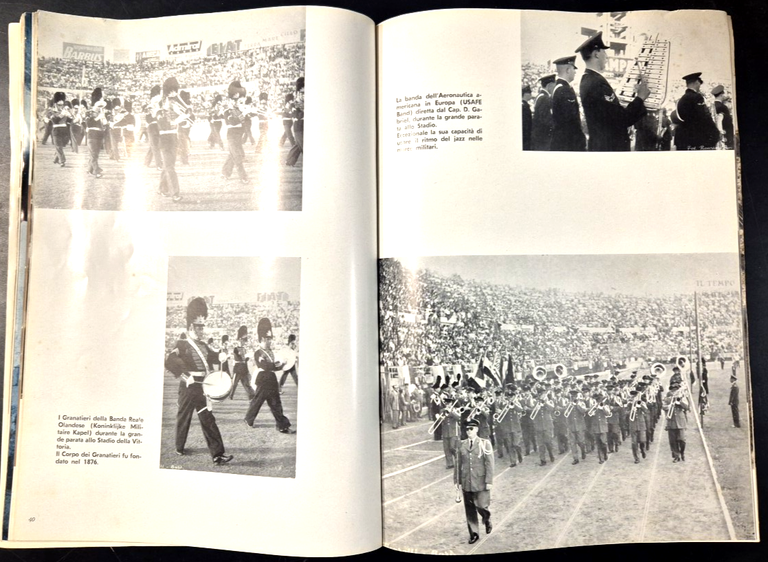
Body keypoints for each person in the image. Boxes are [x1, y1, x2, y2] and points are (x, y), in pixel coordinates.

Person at [164, 297, 233, 465]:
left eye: (203, 326)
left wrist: (221, 356)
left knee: (208, 419)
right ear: (190, 326)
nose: (202, 329)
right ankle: (179, 446)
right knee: (184, 417)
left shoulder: (203, 344)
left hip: (202, 387)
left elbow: (212, 356)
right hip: (188, 387)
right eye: (198, 326)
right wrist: (186, 377)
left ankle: (217, 455)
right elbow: (170, 361)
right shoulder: (182, 343)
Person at [577, 31, 649, 151]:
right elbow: (622, 119)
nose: (607, 56)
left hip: (602, 146)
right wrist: (640, 98)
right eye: (604, 52)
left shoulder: (588, 79)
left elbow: (609, 116)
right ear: (596, 54)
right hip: (610, 148)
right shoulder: (596, 82)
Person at [244, 318, 296, 433]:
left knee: (276, 404)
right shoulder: (258, 352)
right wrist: (277, 365)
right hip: (263, 379)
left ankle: (282, 426)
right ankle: (249, 419)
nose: (270, 341)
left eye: (270, 339)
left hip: (271, 379)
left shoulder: (271, 352)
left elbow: (272, 366)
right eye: (268, 339)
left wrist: (282, 366)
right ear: (262, 339)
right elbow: (264, 366)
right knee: (257, 401)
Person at [454, 419, 494, 545]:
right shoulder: (462, 444)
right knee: (470, 509)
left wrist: (489, 480)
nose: (469, 431)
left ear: (476, 429)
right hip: (467, 481)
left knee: (482, 506)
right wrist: (457, 481)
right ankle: (474, 533)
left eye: (471, 429)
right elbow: (458, 464)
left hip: (481, 481)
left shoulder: (485, 443)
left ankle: (486, 519)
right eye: (467, 429)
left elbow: (489, 463)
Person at [674, 72, 720, 150]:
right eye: (699, 83)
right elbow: (704, 117)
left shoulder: (681, 99)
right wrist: (715, 132)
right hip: (698, 137)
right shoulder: (697, 97)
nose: (699, 86)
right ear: (696, 82)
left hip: (686, 137)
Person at [157, 77, 185, 202]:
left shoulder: (174, 103)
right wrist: (178, 118)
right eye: (173, 91)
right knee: (170, 167)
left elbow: (180, 117)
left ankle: (161, 188)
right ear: (169, 91)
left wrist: (185, 115)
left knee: (169, 165)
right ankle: (175, 193)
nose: (175, 93)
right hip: (164, 137)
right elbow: (160, 120)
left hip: (173, 136)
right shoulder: (159, 103)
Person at [550, 55, 586, 151]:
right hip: (568, 143)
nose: (575, 72)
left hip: (562, 141)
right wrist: (581, 139)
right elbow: (571, 121)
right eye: (574, 69)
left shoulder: (560, 87)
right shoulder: (564, 90)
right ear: (568, 70)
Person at [221, 80, 250, 184]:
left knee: (233, 155)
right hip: (232, 133)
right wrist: (243, 114)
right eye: (237, 93)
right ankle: (243, 177)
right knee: (237, 156)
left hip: (239, 132)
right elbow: (231, 122)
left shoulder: (237, 105)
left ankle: (225, 172)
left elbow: (243, 120)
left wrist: (246, 114)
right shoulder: (226, 107)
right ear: (233, 94)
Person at [662, 382, 690, 462]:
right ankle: (676, 456)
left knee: (682, 440)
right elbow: (663, 406)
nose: (674, 392)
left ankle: (682, 452)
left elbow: (687, 407)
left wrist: (679, 402)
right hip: (671, 422)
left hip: (681, 422)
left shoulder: (682, 398)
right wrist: (669, 406)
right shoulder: (667, 399)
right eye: (673, 390)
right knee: (673, 441)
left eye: (676, 390)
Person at [85, 88, 107, 179]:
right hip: (92, 134)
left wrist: (103, 118)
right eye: (99, 107)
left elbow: (105, 124)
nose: (100, 108)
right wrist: (98, 117)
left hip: (99, 135)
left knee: (95, 154)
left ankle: (89, 169)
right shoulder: (89, 113)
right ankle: (96, 171)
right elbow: (89, 123)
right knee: (93, 154)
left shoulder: (102, 113)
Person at [229, 325, 254, 400]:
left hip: (243, 368)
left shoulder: (243, 349)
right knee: (234, 384)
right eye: (242, 340)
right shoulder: (235, 349)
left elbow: (244, 360)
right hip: (238, 368)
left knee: (246, 383)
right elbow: (239, 357)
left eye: (244, 341)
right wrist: (245, 358)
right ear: (240, 340)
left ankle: (251, 395)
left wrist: (247, 360)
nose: (243, 342)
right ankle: (231, 395)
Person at [530, 74, 555, 150]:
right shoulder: (545, 98)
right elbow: (545, 119)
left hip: (539, 135)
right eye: (554, 84)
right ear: (549, 85)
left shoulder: (540, 96)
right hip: (543, 137)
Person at [285, 77, 304, 167]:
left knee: (298, 145)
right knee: (303, 144)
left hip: (301, 123)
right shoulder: (296, 100)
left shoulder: (299, 98)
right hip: (299, 124)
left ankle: (289, 161)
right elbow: (293, 110)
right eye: (302, 93)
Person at [49, 92, 71, 167]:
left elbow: (70, 121)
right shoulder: (51, 111)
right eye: (59, 105)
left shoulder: (65, 111)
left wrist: (70, 116)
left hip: (64, 130)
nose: (61, 106)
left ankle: (56, 158)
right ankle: (62, 161)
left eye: (62, 105)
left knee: (61, 146)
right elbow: (55, 121)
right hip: (56, 130)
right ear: (55, 104)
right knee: (58, 146)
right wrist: (62, 114)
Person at [143, 85, 163, 170]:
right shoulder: (149, 106)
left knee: (154, 146)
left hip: (158, 126)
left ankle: (146, 162)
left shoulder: (159, 104)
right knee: (155, 146)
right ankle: (159, 164)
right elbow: (148, 119)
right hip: (154, 126)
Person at [712, 85, 734, 149]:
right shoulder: (723, 107)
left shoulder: (713, 106)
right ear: (721, 95)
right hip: (725, 135)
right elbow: (726, 122)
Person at [521, 85, 533, 150]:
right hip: (526, 135)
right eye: (529, 92)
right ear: (525, 94)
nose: (530, 94)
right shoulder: (524, 106)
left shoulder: (524, 105)